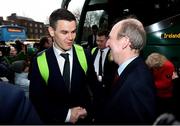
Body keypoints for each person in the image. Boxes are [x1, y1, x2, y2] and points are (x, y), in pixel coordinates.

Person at [29, 8, 97, 124]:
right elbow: (37, 102)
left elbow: (96, 90)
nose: (71, 38)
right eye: (64, 32)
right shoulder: (39, 61)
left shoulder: (85, 55)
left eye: (73, 31)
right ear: (51, 31)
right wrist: (67, 115)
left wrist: (88, 110)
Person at [97, 17, 157, 124]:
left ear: (124, 42)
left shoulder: (138, 83)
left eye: (110, 38)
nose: (107, 44)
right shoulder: (130, 71)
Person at [91, 29, 118, 121]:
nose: (98, 43)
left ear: (107, 40)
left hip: (107, 91)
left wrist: (98, 77)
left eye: (101, 41)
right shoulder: (93, 51)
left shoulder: (114, 53)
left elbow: (115, 75)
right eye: (97, 40)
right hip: (94, 90)